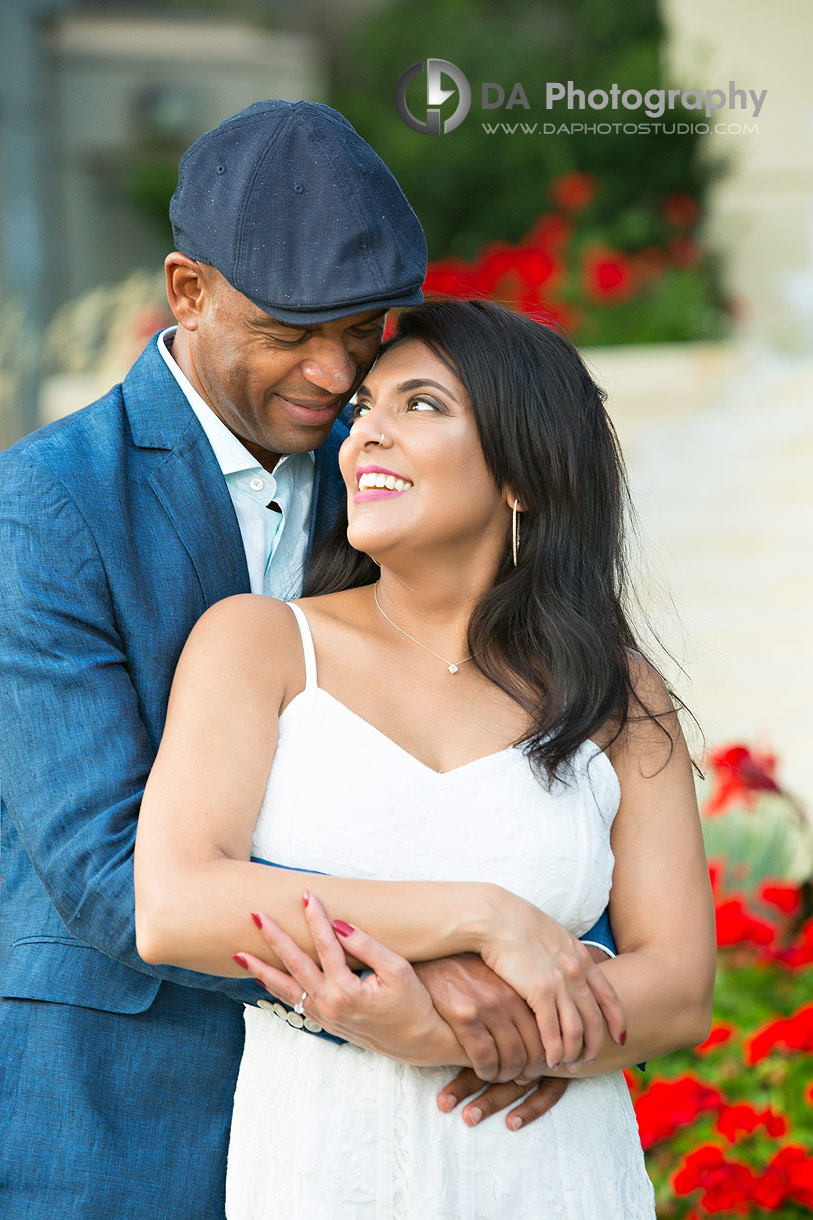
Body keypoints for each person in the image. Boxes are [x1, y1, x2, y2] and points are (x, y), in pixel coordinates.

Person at [0, 101, 612, 1219]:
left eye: (364, 328)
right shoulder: (47, 502)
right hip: (118, 1101)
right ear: (189, 291)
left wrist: (557, 961)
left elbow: (498, 740)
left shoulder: (388, 464)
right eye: (294, 330)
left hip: (392, 1131)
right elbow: (108, 870)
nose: (336, 374)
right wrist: (435, 972)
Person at [133, 298, 717, 1219]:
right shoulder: (260, 643)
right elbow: (175, 906)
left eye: (421, 406)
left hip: (555, 1173)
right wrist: (479, 917)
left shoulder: (616, 691)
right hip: (324, 1167)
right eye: (364, 409)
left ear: (524, 474)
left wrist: (432, 1029)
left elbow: (679, 990)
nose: (365, 434)